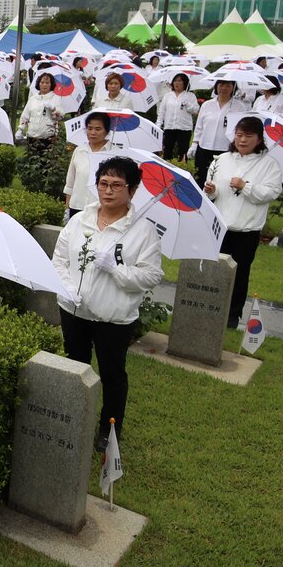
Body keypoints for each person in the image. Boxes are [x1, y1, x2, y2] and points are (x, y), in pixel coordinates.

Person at [51, 157, 164, 451]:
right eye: (103, 183)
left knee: (112, 375)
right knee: (75, 366)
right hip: (74, 309)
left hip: (113, 317)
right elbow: (60, 259)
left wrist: (117, 270)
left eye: (117, 185)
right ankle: (74, 418)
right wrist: (67, 287)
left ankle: (109, 429)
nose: (108, 191)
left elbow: (152, 275)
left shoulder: (143, 231)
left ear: (132, 190)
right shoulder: (80, 220)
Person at [203, 117, 283, 328]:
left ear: (259, 139)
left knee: (239, 274)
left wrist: (245, 186)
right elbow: (213, 191)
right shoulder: (221, 159)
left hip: (246, 229)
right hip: (220, 226)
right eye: (239, 135)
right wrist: (211, 191)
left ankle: (232, 316)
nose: (242, 140)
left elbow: (272, 192)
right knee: (214, 269)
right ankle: (210, 308)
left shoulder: (269, 164)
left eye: (248, 136)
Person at [63, 112, 112, 219]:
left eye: (98, 129)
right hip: (77, 207)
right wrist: (67, 208)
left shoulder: (114, 154)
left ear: (107, 131)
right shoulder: (79, 150)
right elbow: (70, 183)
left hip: (100, 209)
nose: (93, 132)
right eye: (89, 128)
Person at [193, 79, 239, 185]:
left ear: (233, 87)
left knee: (220, 180)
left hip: (225, 149)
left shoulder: (239, 107)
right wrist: (194, 143)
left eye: (228, 86)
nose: (224, 88)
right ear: (216, 86)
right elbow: (199, 126)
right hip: (204, 146)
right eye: (221, 85)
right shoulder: (207, 105)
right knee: (201, 177)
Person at [15, 72, 63, 153]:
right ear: (39, 84)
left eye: (47, 83)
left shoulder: (55, 98)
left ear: (51, 84)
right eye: (42, 82)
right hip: (32, 135)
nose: (44, 85)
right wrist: (20, 129)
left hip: (48, 137)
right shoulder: (33, 99)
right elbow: (25, 116)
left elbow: (61, 116)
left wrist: (53, 108)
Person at [157, 74, 199, 161]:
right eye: (175, 81)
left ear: (185, 82)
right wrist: (158, 124)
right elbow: (162, 111)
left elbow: (196, 111)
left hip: (184, 128)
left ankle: (182, 166)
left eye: (179, 81)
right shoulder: (168, 96)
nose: (176, 83)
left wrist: (188, 104)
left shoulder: (190, 96)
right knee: (167, 151)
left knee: (183, 152)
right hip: (169, 127)